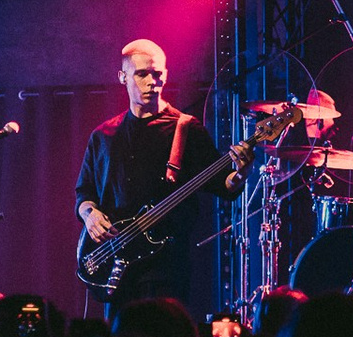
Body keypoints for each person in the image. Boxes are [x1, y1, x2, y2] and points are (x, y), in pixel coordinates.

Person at [75, 38, 253, 320]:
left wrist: (242, 172)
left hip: (165, 267)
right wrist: (89, 215)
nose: (151, 82)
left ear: (166, 75)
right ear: (122, 77)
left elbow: (223, 185)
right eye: (141, 74)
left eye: (156, 74)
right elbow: (84, 193)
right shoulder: (103, 135)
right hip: (116, 261)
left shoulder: (186, 129)